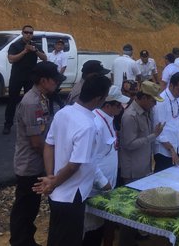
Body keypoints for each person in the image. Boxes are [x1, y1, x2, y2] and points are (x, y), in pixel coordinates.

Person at [32, 75, 112, 246]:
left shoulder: (64, 112)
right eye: (105, 98)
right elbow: (74, 165)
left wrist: (51, 176)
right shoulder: (87, 126)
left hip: (58, 191)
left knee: (57, 236)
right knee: (68, 239)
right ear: (99, 98)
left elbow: (49, 145)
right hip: (71, 194)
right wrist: (53, 182)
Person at [9, 61, 63, 246]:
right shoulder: (32, 102)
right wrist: (51, 159)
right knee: (25, 209)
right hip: (30, 165)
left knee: (30, 207)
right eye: (54, 80)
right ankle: (20, 241)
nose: (57, 83)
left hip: (35, 163)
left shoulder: (41, 97)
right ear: (43, 80)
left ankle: (26, 240)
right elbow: (36, 142)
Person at [117, 81, 164, 246]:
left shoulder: (145, 111)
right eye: (152, 100)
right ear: (143, 97)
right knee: (130, 210)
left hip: (142, 167)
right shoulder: (130, 116)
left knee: (139, 206)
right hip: (133, 170)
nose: (154, 104)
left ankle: (135, 237)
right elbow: (129, 144)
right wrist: (153, 136)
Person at [82, 86, 129, 246]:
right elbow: (89, 159)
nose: (122, 108)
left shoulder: (108, 120)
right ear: (108, 105)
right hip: (96, 189)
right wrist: (102, 182)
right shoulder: (96, 124)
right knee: (92, 232)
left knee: (102, 228)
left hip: (107, 186)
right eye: (119, 105)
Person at [3, 25, 48, 135]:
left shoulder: (35, 46)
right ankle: (7, 125)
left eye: (30, 33)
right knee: (12, 101)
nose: (28, 34)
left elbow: (45, 58)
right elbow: (11, 59)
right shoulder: (15, 45)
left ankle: (28, 124)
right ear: (22, 33)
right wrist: (24, 51)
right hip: (17, 77)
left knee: (30, 102)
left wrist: (35, 51)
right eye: (26, 32)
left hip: (30, 78)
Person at [153, 72, 179, 172]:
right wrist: (171, 150)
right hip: (163, 151)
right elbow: (159, 132)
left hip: (174, 147)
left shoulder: (176, 99)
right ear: (171, 85)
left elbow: (178, 124)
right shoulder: (161, 101)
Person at [47, 39, 68, 113]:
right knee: (51, 93)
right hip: (50, 76)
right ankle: (53, 110)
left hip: (57, 77)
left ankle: (61, 106)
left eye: (61, 45)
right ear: (55, 45)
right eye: (58, 44)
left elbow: (64, 67)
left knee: (52, 92)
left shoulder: (63, 55)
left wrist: (58, 78)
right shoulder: (51, 54)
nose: (59, 46)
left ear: (63, 46)